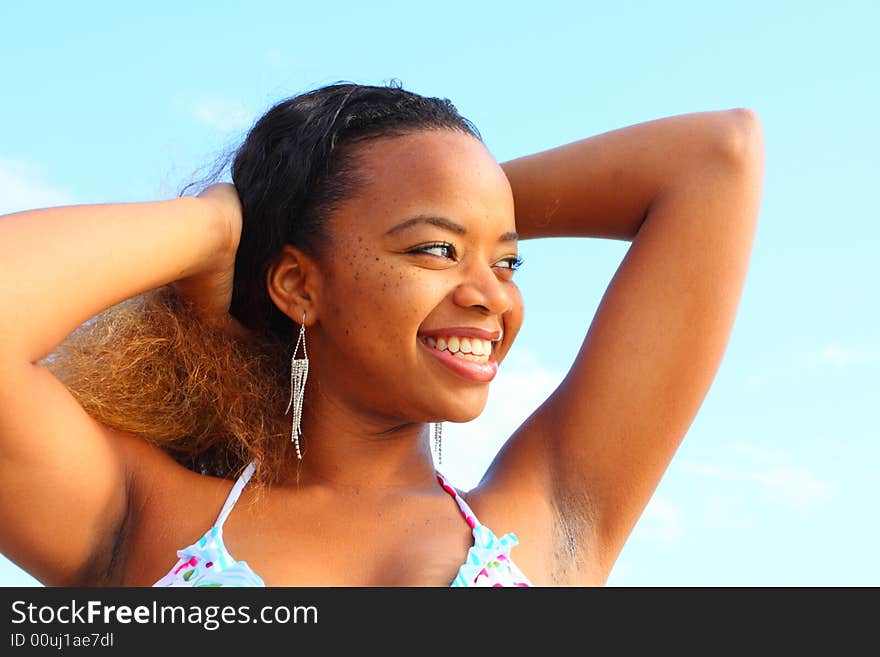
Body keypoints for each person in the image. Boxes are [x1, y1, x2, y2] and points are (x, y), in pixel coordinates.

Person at [0, 81, 765, 587]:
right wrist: (218, 227)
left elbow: (718, 157)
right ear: (299, 283)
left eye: (506, 259)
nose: (490, 294)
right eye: (436, 252)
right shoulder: (140, 517)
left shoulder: (556, 508)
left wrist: (459, 207)